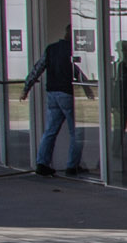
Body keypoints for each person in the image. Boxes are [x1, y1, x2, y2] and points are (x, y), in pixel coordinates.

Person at [19, 35, 87, 176]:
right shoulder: (71, 50)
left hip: (52, 93)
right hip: (66, 92)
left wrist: (26, 88)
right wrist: (87, 88)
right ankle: (72, 165)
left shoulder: (51, 49)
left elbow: (37, 68)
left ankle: (42, 163)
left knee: (50, 130)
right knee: (76, 132)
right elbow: (77, 71)